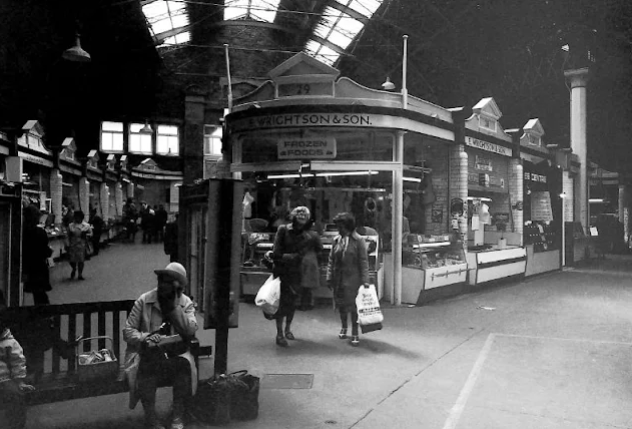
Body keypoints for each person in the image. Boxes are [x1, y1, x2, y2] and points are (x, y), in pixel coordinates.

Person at [123, 262, 198, 429]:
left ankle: (177, 416)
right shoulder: (144, 300)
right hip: (148, 353)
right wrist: (146, 337)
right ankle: (151, 418)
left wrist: (174, 308)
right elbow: (128, 331)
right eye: (161, 280)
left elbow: (190, 330)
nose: (162, 285)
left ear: (177, 286)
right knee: (147, 368)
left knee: (183, 366)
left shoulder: (185, 303)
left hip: (174, 354)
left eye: (168, 281)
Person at [270, 206, 315, 347]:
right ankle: (279, 333)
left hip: (296, 273)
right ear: (293, 216)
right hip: (282, 272)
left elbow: (302, 255)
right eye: (300, 213)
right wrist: (289, 257)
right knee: (281, 303)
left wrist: (291, 258)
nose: (302, 215)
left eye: (305, 214)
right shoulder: (283, 230)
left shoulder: (307, 236)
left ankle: (288, 329)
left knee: (292, 303)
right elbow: (276, 253)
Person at [326, 212, 369, 347]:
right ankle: (344, 326)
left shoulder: (359, 240)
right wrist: (329, 276)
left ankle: (355, 332)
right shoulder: (336, 240)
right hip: (338, 277)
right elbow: (331, 260)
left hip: (353, 279)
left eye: (341, 226)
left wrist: (365, 280)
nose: (339, 229)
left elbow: (363, 261)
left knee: (354, 307)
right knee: (341, 305)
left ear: (348, 226)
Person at [0, 291, 36, 429]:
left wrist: (19, 381)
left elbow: (17, 360)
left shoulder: (7, 341)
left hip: (4, 380)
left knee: (16, 397)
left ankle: (16, 426)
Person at [21, 204, 52, 305]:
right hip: (39, 267)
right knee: (40, 294)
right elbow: (46, 251)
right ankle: (44, 314)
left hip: (27, 267)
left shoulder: (21, 232)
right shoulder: (40, 232)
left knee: (35, 292)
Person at [65, 210, 92, 280]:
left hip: (82, 244)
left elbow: (91, 234)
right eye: (76, 217)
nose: (77, 219)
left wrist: (86, 235)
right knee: (71, 260)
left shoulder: (86, 226)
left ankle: (80, 274)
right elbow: (67, 235)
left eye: (78, 217)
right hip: (72, 244)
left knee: (81, 260)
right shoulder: (71, 226)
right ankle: (74, 268)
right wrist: (67, 244)